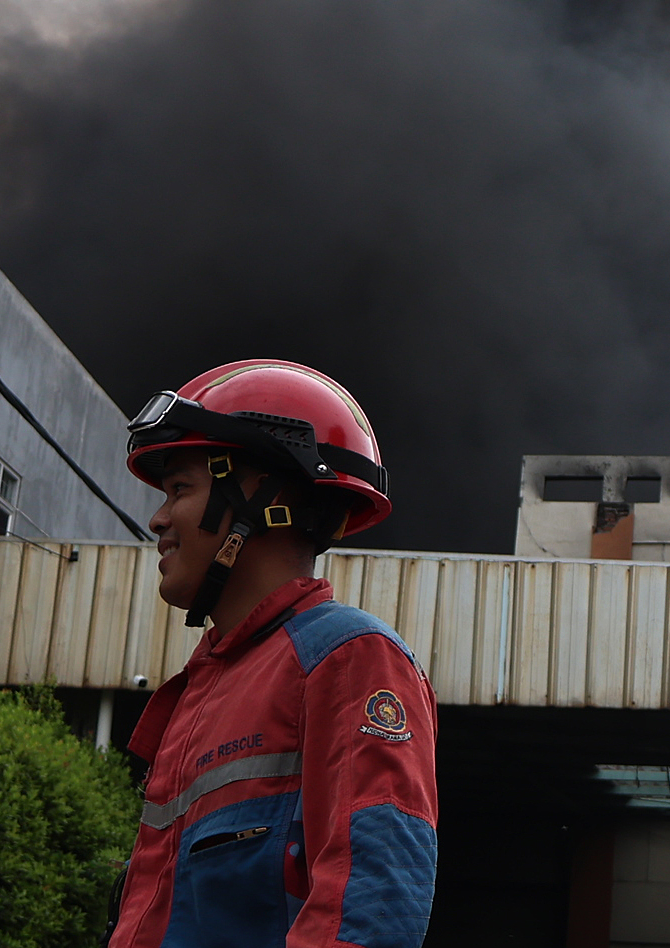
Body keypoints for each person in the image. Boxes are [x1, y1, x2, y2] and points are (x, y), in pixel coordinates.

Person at [104, 360, 437, 947]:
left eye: (180, 488)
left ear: (267, 497)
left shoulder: (348, 660)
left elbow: (372, 910)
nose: (157, 518)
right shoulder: (196, 692)